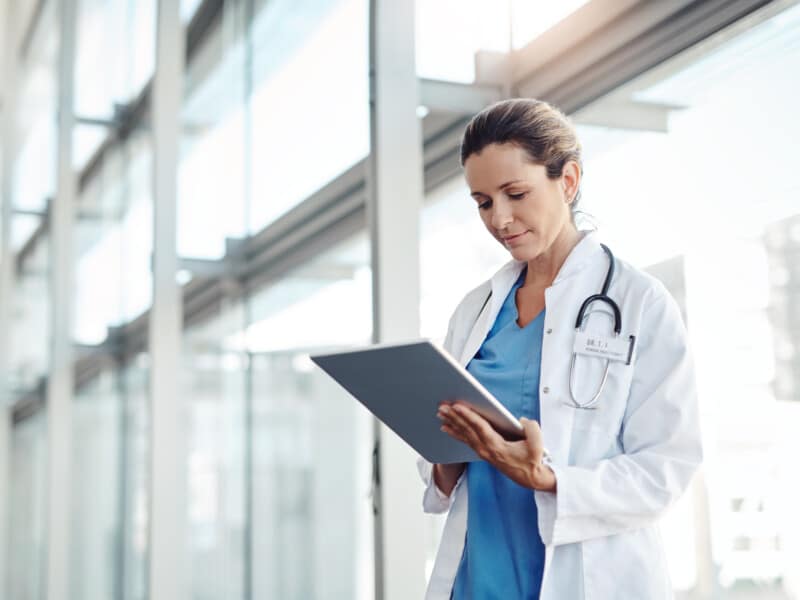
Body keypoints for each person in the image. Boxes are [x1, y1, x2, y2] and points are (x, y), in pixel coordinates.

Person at [417, 98, 703, 599]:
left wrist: (549, 479)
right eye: (483, 202)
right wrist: (448, 457)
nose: (500, 219)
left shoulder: (638, 302)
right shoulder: (475, 310)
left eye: (516, 193)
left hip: (589, 578)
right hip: (477, 577)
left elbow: (666, 467)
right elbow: (443, 463)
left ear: (567, 181)